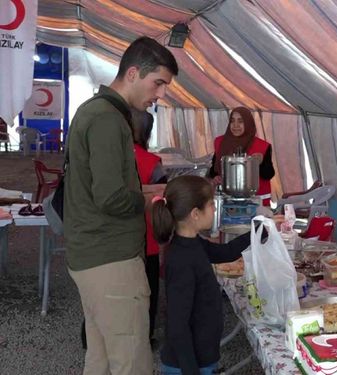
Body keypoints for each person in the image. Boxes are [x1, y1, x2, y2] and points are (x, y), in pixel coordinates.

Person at [64, 36, 178, 375]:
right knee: (131, 362)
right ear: (132, 73)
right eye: (158, 83)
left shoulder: (98, 111)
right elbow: (111, 198)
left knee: (99, 358)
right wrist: (150, 200)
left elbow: (104, 186)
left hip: (93, 255)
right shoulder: (107, 119)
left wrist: (142, 191)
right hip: (110, 261)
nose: (160, 95)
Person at [152, 175, 252, 375]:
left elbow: (227, 252)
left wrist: (259, 231)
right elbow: (178, 325)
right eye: (211, 204)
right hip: (186, 365)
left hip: (201, 356)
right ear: (195, 213)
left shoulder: (192, 242)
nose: (215, 209)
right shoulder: (182, 259)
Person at [132, 109, 167, 343]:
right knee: (148, 288)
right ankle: (146, 335)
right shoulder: (152, 162)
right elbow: (160, 202)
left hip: (116, 235)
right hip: (147, 237)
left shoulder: (110, 155)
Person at [207, 106, 275, 205]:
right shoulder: (220, 142)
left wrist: (259, 163)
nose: (235, 125)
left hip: (256, 201)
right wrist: (216, 177)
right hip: (228, 200)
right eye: (232, 121)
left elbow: (268, 175)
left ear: (248, 123)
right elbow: (214, 170)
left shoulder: (262, 146)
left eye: (240, 121)